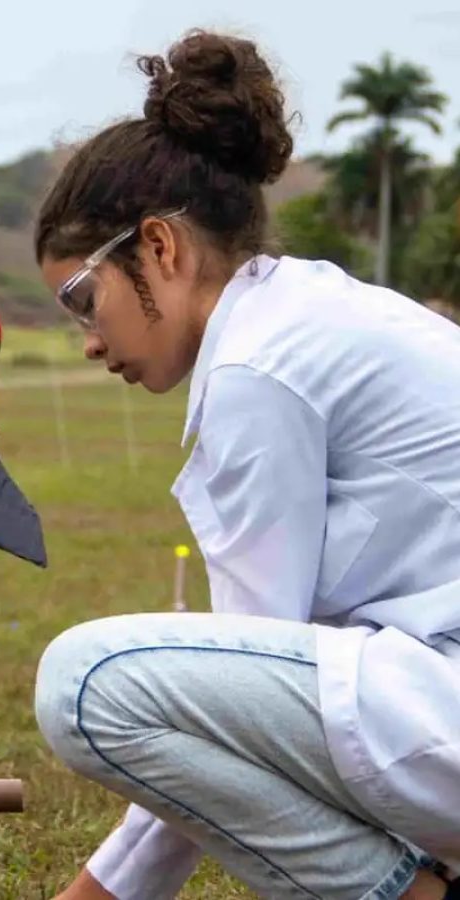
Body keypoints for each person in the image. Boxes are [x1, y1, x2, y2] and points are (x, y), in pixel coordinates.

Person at [32, 29, 460, 900]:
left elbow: (223, 699)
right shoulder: (303, 315)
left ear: (160, 248)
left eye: (84, 298)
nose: (86, 341)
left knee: (87, 685)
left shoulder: (257, 366)